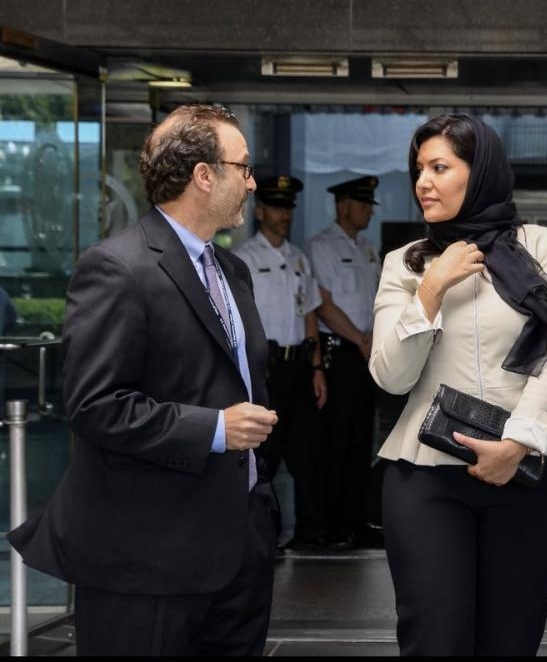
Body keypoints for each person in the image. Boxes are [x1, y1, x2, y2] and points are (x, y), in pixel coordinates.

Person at [7, 104, 279, 656]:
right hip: (146, 560)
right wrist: (215, 429)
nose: (252, 182)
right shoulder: (117, 267)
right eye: (243, 167)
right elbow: (94, 404)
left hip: (238, 551)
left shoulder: (233, 271)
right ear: (205, 175)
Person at [368, 113, 547, 656]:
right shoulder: (406, 263)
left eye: (440, 167)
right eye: (419, 169)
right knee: (434, 638)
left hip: (530, 470)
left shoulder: (544, 246)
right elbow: (391, 377)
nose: (423, 182)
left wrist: (519, 443)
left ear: (480, 171)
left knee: (511, 640)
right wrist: (431, 289)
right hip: (427, 477)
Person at [234, 174, 328, 550]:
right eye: (276, 207)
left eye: (288, 208)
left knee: (307, 455)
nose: (284, 214)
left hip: (299, 367)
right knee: (264, 456)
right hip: (266, 370)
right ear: (260, 212)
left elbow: (309, 314)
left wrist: (318, 368)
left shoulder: (299, 259)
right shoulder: (244, 260)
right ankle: (263, 538)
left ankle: (310, 534)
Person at [305, 175, 381, 547]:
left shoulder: (368, 249)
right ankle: (331, 523)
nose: (369, 210)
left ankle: (356, 519)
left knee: (360, 441)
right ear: (343, 206)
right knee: (335, 441)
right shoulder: (322, 246)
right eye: (363, 203)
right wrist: (360, 340)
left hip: (365, 352)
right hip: (340, 350)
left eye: (370, 204)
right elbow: (321, 305)